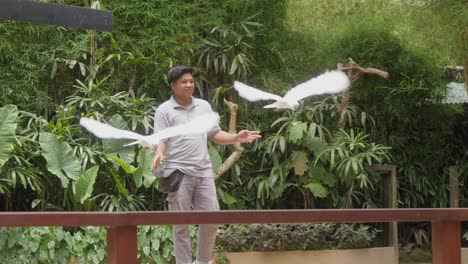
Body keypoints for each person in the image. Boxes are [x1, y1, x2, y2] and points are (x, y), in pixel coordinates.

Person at [151, 65, 261, 264]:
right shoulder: (164, 110)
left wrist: (236, 136)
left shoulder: (203, 106)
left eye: (191, 81)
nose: (189, 85)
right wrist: (159, 152)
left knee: (211, 218)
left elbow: (215, 135)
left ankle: (202, 262)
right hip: (177, 173)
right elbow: (162, 140)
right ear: (172, 85)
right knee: (180, 225)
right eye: (184, 82)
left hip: (203, 173)